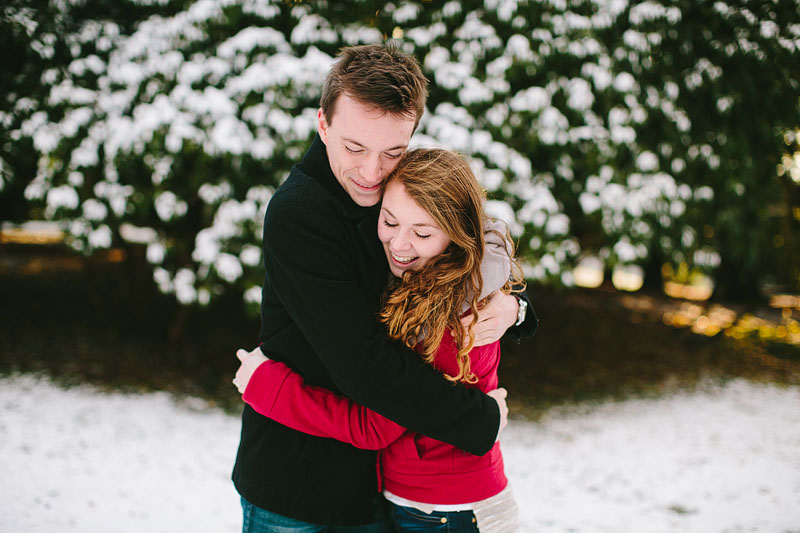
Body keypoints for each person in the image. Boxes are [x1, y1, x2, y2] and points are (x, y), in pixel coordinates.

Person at [231, 43, 537, 531]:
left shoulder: (399, 192)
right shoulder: (299, 216)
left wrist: (514, 309)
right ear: (323, 124)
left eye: (393, 151)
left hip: (385, 489)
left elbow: (473, 247)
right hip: (299, 490)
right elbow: (366, 367)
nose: (371, 173)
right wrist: (476, 421)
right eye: (354, 148)